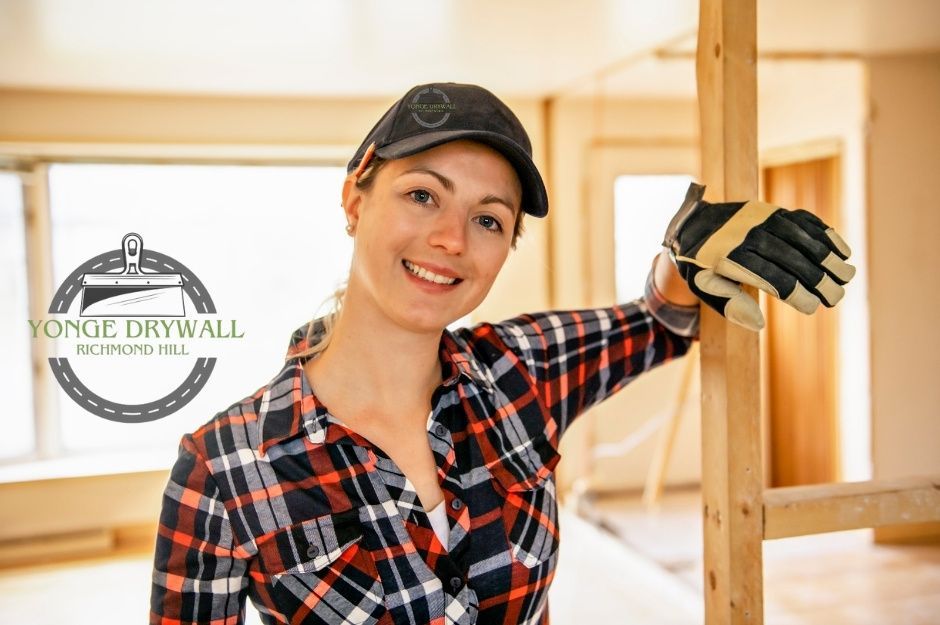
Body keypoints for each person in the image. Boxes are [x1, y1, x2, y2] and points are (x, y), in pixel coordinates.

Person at [149, 82, 855, 625]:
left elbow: (658, 323)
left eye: (488, 218)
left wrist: (682, 261)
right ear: (354, 199)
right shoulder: (224, 466)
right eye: (423, 194)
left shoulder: (519, 371)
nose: (452, 239)